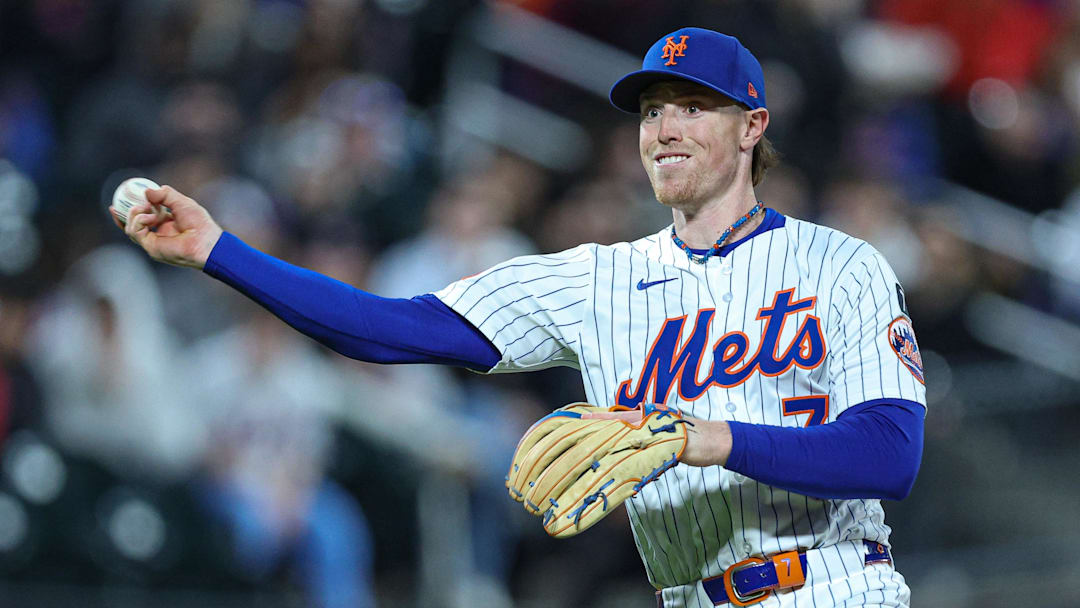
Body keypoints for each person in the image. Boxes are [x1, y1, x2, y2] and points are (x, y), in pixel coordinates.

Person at [113, 27, 925, 608]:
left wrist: (702, 438)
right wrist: (221, 251)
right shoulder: (596, 279)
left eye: (692, 106)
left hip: (831, 584)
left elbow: (891, 453)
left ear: (752, 127)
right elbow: (386, 327)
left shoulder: (841, 264)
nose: (665, 128)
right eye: (650, 112)